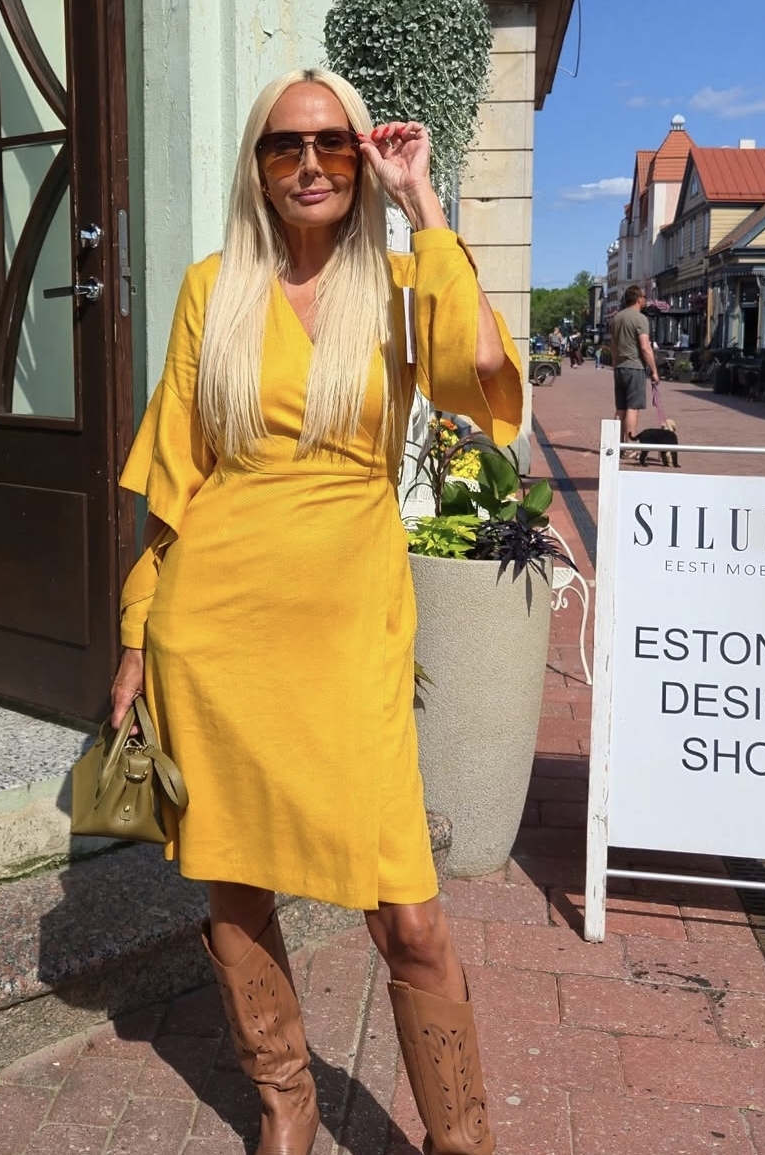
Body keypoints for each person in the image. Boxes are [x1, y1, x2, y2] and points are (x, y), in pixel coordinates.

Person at [109, 68, 520, 1155]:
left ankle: (464, 1139)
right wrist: (137, 634)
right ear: (257, 168)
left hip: (349, 630)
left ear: (361, 158)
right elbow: (177, 481)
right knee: (235, 879)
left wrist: (423, 201)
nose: (310, 165)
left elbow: (480, 369)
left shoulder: (400, 282)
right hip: (216, 628)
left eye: (334, 143)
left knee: (409, 915)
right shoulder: (213, 289)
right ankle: (285, 1100)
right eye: (284, 147)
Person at [608, 285, 659, 446]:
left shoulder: (616, 318)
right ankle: (630, 446)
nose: (645, 299)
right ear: (638, 299)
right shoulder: (640, 318)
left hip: (620, 367)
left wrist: (615, 362)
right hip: (635, 367)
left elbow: (613, 345)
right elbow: (645, 347)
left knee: (620, 408)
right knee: (632, 408)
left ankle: (614, 445)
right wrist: (654, 371)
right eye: (644, 297)